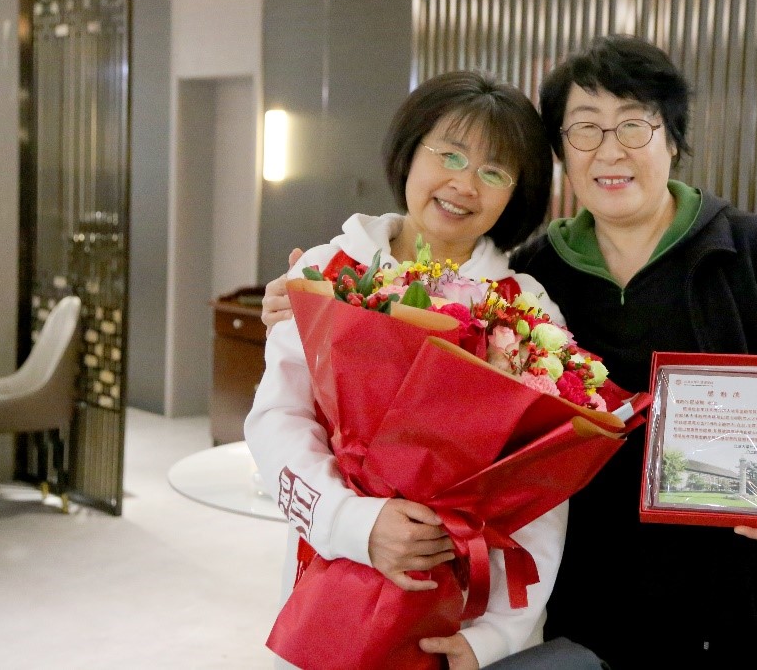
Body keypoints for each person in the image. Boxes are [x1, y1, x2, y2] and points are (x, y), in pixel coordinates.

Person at [262, 35, 757, 668]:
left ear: (672, 139)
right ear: (561, 154)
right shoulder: (538, 278)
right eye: (585, 129)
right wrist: (299, 301)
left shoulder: (746, 253)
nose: (610, 150)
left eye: (633, 125)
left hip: (746, 603)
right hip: (596, 613)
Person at [244, 70, 586, 670]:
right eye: (449, 155)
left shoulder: (528, 310)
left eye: (493, 172)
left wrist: (497, 636)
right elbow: (277, 420)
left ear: (517, 193)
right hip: (332, 574)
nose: (464, 184)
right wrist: (356, 523)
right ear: (410, 152)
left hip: (463, 609)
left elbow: (541, 489)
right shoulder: (331, 270)